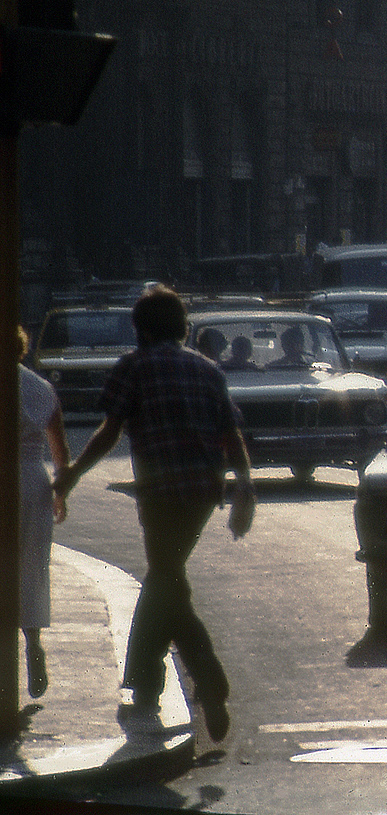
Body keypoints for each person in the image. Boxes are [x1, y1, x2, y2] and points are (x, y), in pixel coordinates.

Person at [54, 286, 255, 742]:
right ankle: (149, 680)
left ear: (141, 329)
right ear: (182, 327)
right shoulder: (207, 369)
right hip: (203, 491)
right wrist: (245, 485)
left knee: (165, 578)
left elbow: (109, 432)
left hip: (159, 492)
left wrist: (71, 475)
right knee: (167, 580)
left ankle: (200, 680)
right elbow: (231, 434)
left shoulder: (134, 366)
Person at [18, 326, 68, 699]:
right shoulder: (39, 387)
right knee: (33, 565)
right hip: (33, 479)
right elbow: (59, 445)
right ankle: (33, 641)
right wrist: (61, 491)